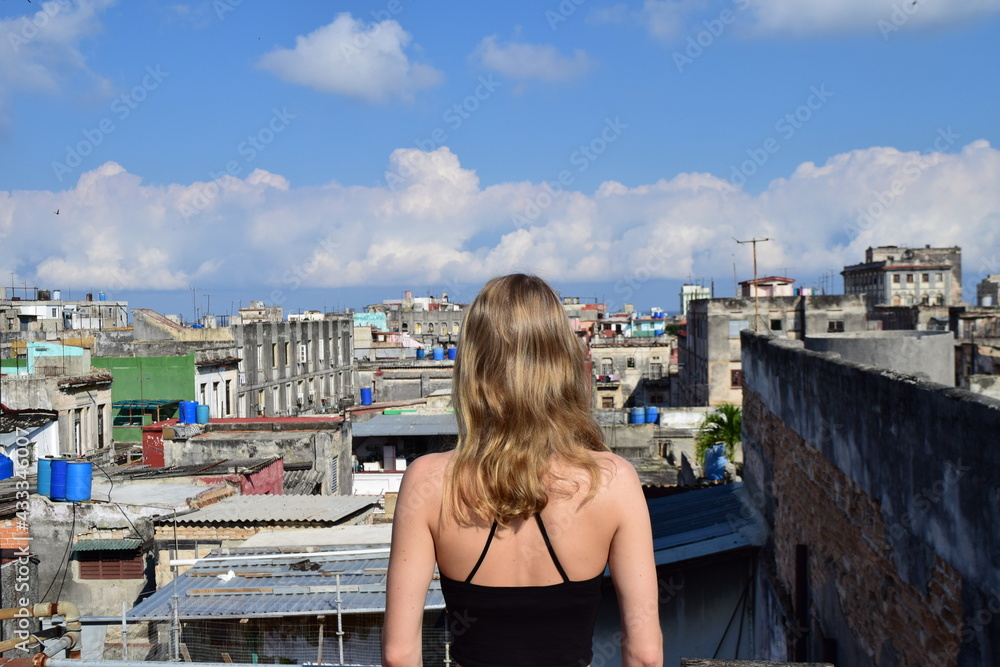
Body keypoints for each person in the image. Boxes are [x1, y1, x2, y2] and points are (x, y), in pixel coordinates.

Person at [383, 274, 662, 667]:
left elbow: (399, 655)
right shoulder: (613, 481)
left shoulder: (428, 482)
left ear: (473, 364)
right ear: (561, 359)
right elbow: (645, 655)